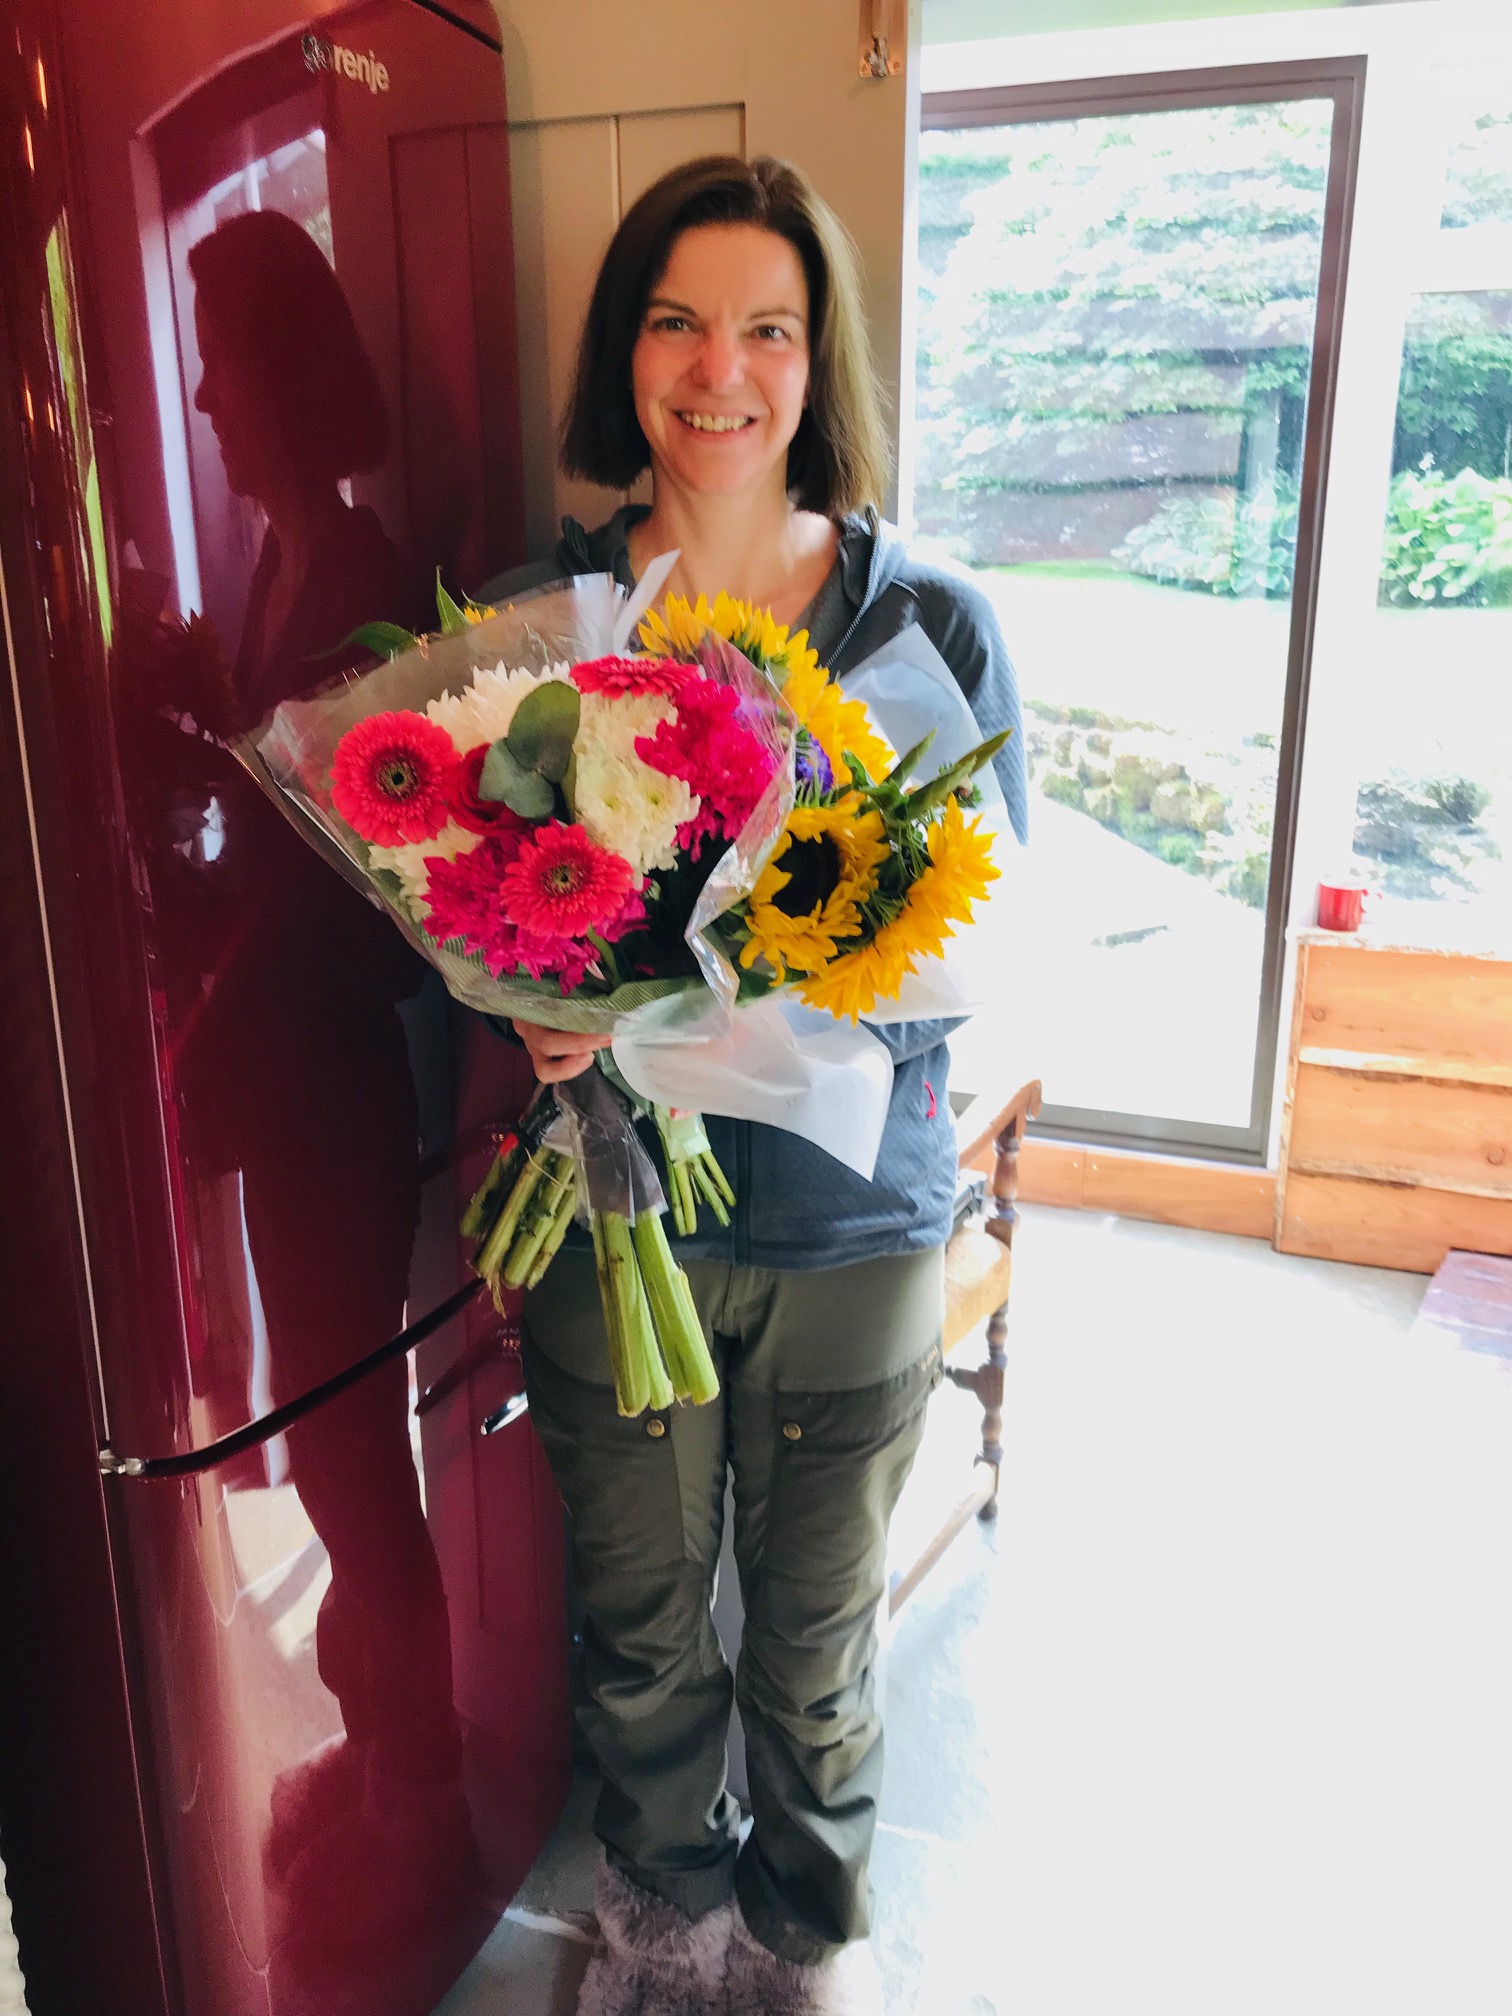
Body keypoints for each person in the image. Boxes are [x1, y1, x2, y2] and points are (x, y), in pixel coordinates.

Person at [488, 155, 1027, 2016]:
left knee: (811, 1651)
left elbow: (978, 933)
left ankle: (800, 1950)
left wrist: (779, 983)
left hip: (850, 1228)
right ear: (625, 353)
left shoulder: (928, 626)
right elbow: (474, 898)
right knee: (644, 1643)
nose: (720, 368)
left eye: (769, 329)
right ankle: (661, 1941)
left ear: (820, 360)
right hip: (610, 1210)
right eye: (676, 321)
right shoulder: (545, 627)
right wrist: (532, 1007)